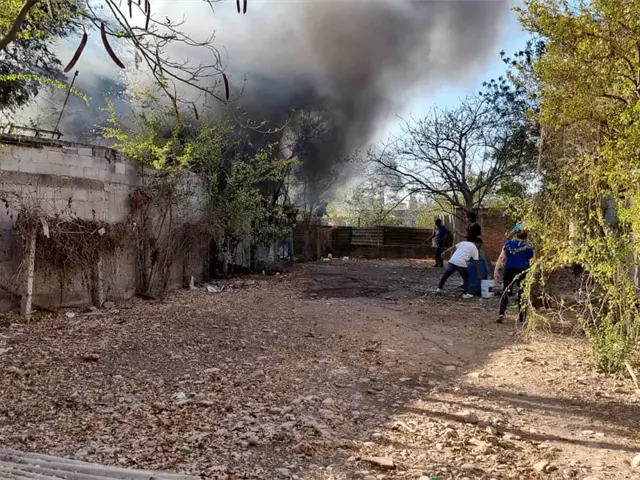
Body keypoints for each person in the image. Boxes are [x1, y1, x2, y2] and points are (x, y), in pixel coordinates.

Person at [494, 230, 535, 324]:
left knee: (506, 290)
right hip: (523, 270)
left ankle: (501, 313)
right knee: (523, 292)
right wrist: (533, 273)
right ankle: (522, 317)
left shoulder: (508, 244)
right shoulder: (529, 245)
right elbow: (534, 260)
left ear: (516, 235)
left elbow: (501, 257)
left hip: (509, 269)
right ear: (526, 236)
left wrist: (496, 270)